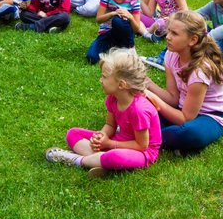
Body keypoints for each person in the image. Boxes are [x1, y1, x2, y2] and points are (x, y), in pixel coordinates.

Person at [45, 48, 161, 178]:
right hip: (118, 140)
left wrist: (109, 144)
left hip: (142, 153)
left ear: (121, 85)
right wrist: (101, 136)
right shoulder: (113, 98)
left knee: (114, 157)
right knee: (73, 134)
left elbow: (141, 145)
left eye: (104, 77)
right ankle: (99, 161)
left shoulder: (139, 110)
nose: (101, 80)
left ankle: (76, 160)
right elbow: (110, 125)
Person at [142, 11, 223, 153]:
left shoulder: (200, 71)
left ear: (192, 40)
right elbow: (173, 99)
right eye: (168, 31)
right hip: (183, 109)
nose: (167, 37)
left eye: (174, 33)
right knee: (142, 109)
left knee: (189, 133)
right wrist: (146, 84)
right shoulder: (170, 55)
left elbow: (185, 118)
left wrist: (152, 97)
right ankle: (152, 135)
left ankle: (148, 136)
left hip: (211, 116)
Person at [85, 0, 142, 64]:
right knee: (92, 58)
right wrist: (113, 13)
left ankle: (129, 49)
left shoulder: (134, 0)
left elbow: (136, 29)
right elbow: (98, 19)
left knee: (118, 20)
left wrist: (130, 17)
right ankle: (114, 48)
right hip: (107, 32)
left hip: (124, 34)